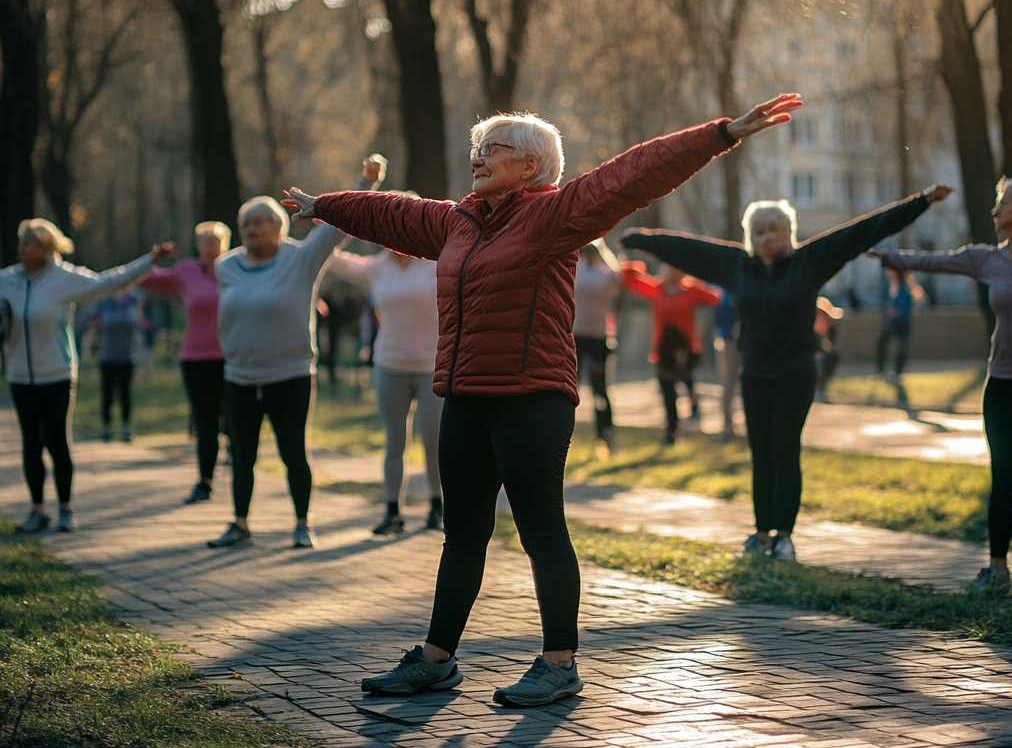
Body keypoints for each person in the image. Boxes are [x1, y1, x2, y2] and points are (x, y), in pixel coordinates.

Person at [282, 92, 801, 707]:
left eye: (492, 149)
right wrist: (326, 206)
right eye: (476, 149)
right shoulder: (457, 222)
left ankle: (559, 664)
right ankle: (436, 660)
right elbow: (392, 213)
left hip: (532, 399)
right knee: (462, 534)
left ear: (530, 165)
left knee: (541, 531)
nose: (477, 158)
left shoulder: (556, 215)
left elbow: (633, 173)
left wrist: (720, 134)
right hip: (465, 397)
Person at [622, 183, 952, 561]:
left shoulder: (809, 261)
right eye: (759, 231)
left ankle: (784, 535)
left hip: (796, 373)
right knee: (761, 453)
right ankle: (761, 531)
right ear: (750, 236)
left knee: (784, 449)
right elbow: (688, 249)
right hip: (755, 375)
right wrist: (642, 239)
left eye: (774, 230)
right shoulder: (737, 265)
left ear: (789, 232)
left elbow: (862, 230)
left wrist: (921, 201)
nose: (766, 238)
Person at [871, 176, 1012, 595]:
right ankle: (997, 569)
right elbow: (934, 261)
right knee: (1003, 476)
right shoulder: (987, 259)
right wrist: (886, 255)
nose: (995, 210)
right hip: (1002, 385)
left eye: (1004, 202)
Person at [0, 219, 173, 533]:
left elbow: (108, 282)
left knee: (56, 442)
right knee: (31, 444)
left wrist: (149, 260)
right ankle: (37, 510)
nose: (21, 248)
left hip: (57, 374)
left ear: (45, 248)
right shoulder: (7, 280)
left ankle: (66, 508)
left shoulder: (64, 278)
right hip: (19, 375)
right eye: (21, 242)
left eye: (28, 243)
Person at [206, 197, 344, 550]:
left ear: (279, 226)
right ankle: (239, 524)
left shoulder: (301, 258)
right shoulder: (226, 266)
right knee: (242, 454)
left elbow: (336, 229)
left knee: (293, 451)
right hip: (239, 375)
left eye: (258, 222)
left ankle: (302, 524)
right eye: (246, 224)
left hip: (290, 374)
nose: (250, 229)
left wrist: (366, 182)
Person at [329, 192, 444, 536]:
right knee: (395, 441)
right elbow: (333, 259)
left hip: (432, 367)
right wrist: (329, 218)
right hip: (389, 365)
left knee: (433, 441)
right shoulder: (376, 268)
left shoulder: (437, 262)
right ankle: (392, 511)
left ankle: (437, 506)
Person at [140, 221, 230, 504]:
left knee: (233, 418)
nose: (211, 246)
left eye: (215, 241)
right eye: (205, 241)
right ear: (198, 245)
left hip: (232, 356)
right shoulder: (185, 271)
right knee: (206, 420)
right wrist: (152, 259)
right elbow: (144, 279)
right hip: (196, 358)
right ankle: (205, 482)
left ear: (225, 244)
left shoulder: (237, 268)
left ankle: (241, 476)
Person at [620, 259, 720, 441]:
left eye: (676, 269)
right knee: (667, 387)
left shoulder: (691, 290)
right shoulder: (657, 289)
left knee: (686, 378)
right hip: (663, 348)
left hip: (687, 347)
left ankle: (693, 402)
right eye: (669, 268)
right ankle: (672, 429)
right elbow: (630, 280)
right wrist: (635, 266)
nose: (672, 272)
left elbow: (715, 298)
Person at [573, 239, 621, 449]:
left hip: (596, 336)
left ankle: (605, 434)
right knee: (572, 387)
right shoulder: (578, 270)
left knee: (598, 388)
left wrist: (603, 249)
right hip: (578, 335)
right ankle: (566, 432)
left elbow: (620, 277)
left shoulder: (605, 273)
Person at [82, 289, 146, 442]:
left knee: (125, 394)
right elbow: (87, 316)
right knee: (107, 395)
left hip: (127, 358)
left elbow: (140, 321)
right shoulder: (105, 302)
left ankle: (126, 428)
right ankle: (106, 428)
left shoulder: (132, 300)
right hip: (107, 358)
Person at [876, 267, 924, 403]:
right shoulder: (887, 285)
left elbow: (907, 305)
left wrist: (897, 312)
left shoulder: (905, 287)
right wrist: (887, 310)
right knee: (882, 344)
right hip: (890, 323)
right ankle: (881, 371)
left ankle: (897, 373)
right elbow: (884, 300)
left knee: (902, 348)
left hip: (902, 323)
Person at [713, 290, 740, 439]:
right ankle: (727, 426)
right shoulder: (724, 295)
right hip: (729, 341)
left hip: (746, 341)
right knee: (729, 384)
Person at [814, 296, 844, 403]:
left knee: (832, 356)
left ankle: (821, 387)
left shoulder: (830, 330)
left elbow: (828, 348)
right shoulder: (805, 330)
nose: (827, 321)